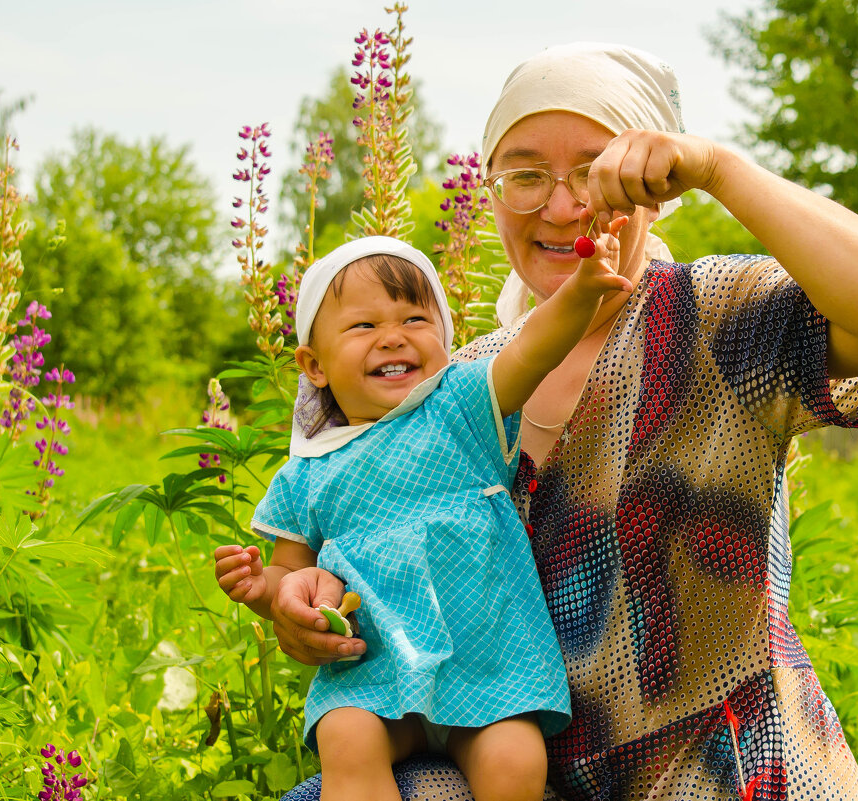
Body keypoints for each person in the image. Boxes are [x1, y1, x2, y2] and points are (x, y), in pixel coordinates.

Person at [272, 43, 858, 801]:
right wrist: (305, 608)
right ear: (493, 193)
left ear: (654, 187)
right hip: (535, 771)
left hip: (726, 763)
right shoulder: (465, 384)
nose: (561, 209)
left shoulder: (712, 316)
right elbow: (385, 547)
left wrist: (719, 169)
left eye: (593, 173)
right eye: (525, 176)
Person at [214, 229, 635, 801]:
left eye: (415, 320)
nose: (392, 339)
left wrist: (582, 290)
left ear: (444, 338)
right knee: (346, 738)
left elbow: (534, 347)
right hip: (372, 673)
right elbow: (292, 577)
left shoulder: (460, 405)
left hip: (490, 662)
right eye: (363, 326)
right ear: (314, 365)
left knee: (515, 762)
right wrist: (262, 588)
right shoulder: (307, 472)